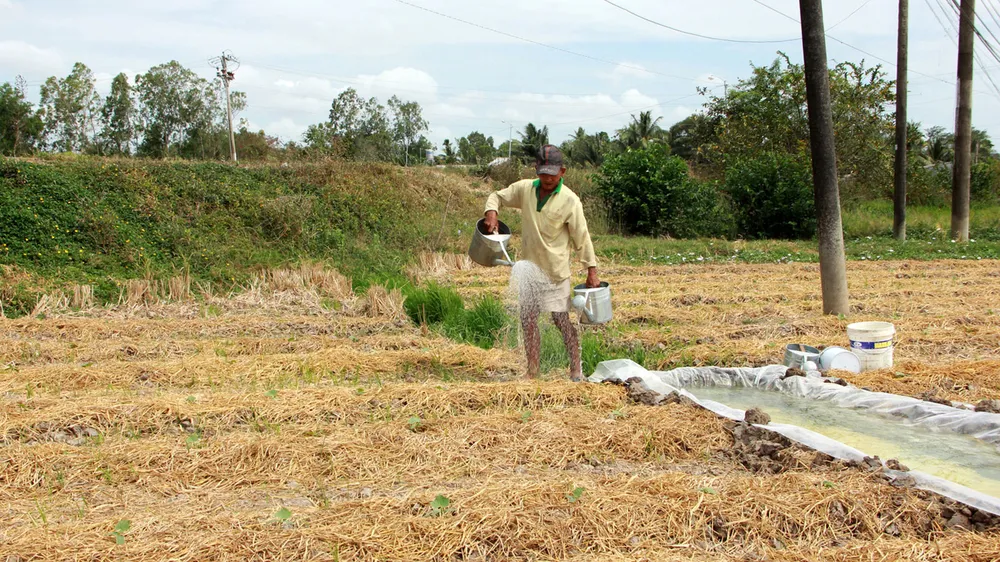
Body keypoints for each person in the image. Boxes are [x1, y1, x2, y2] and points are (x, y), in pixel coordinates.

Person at [483, 145, 601, 381]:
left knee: (560, 320)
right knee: (528, 321)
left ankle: (575, 366)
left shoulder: (570, 201)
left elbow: (581, 236)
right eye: (543, 173)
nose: (547, 178)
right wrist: (492, 212)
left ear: (563, 171)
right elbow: (496, 195)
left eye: (553, 174)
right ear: (536, 169)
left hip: (555, 273)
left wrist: (591, 270)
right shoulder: (526, 189)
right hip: (528, 272)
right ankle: (533, 370)